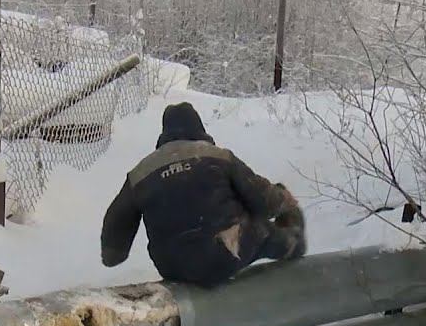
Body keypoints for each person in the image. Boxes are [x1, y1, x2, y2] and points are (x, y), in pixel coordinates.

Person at [100, 102, 306, 288]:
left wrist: (113, 254)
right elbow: (262, 199)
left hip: (172, 266)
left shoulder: (140, 173)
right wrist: (284, 201)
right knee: (262, 231)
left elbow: (116, 220)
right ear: (199, 129)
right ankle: (292, 242)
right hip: (223, 253)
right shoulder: (218, 156)